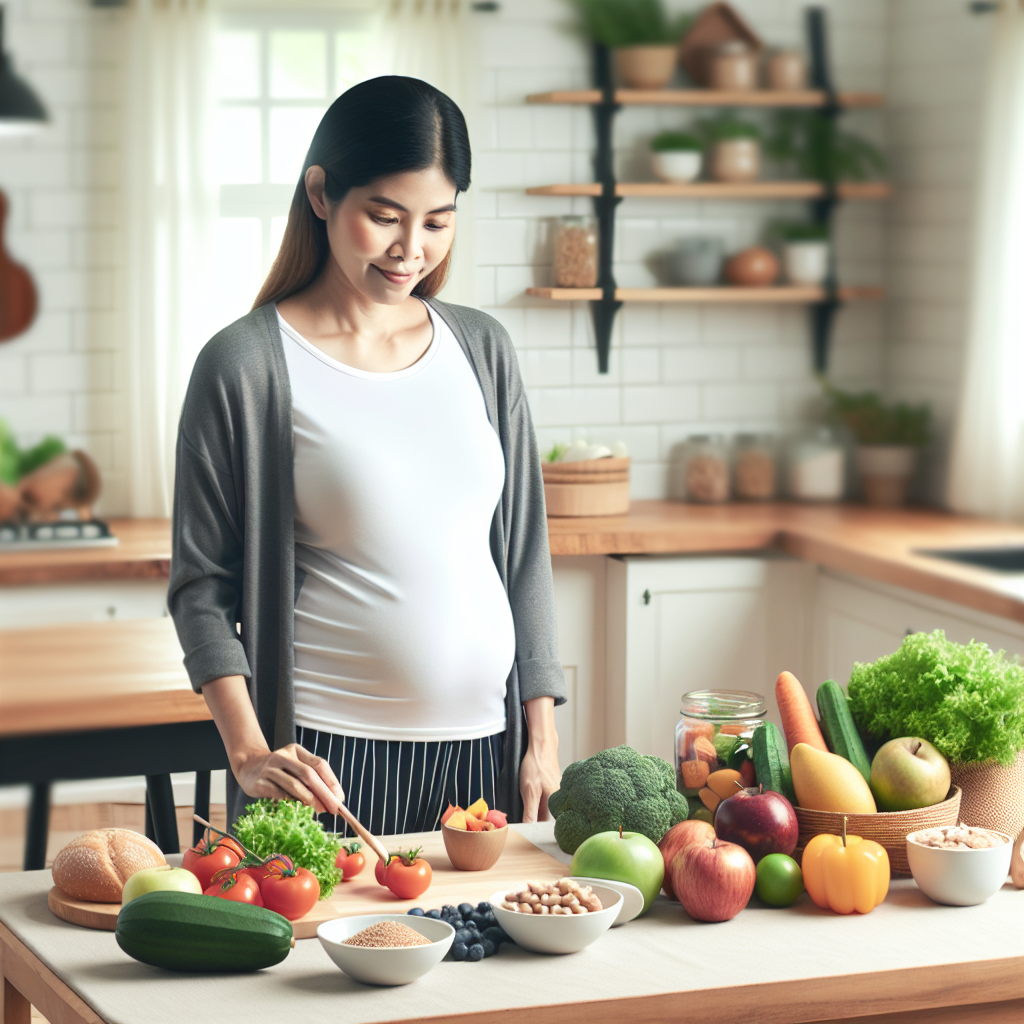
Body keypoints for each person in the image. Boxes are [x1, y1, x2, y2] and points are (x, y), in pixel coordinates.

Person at [169, 76, 565, 836]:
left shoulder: (482, 349)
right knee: (327, 957)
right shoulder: (246, 365)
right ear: (321, 195)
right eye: (384, 216)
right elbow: (202, 588)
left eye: (438, 222)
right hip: (325, 763)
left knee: (485, 953)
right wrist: (249, 752)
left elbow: (524, 558)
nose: (410, 250)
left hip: (488, 754)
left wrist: (540, 738)